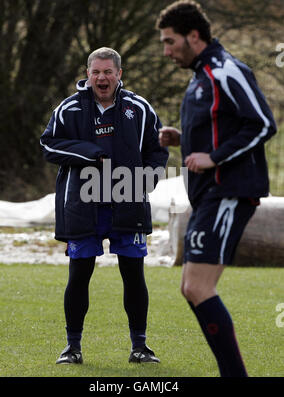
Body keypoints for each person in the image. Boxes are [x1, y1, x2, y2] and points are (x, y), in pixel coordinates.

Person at [156, 0, 277, 377]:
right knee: (191, 287)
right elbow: (217, 129)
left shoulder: (226, 70)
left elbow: (261, 124)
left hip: (229, 192)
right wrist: (183, 141)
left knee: (197, 286)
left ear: (194, 35)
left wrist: (215, 157)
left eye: (170, 41)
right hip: (207, 195)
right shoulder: (200, 75)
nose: (166, 51)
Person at [40, 47, 168, 364]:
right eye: (96, 72)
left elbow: (157, 149)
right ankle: (72, 348)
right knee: (79, 275)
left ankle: (140, 347)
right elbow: (48, 144)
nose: (102, 77)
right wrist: (89, 152)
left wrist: (146, 180)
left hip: (128, 203)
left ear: (119, 74)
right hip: (83, 206)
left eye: (108, 72)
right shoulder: (68, 110)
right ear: (88, 74)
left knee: (134, 275)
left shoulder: (139, 108)